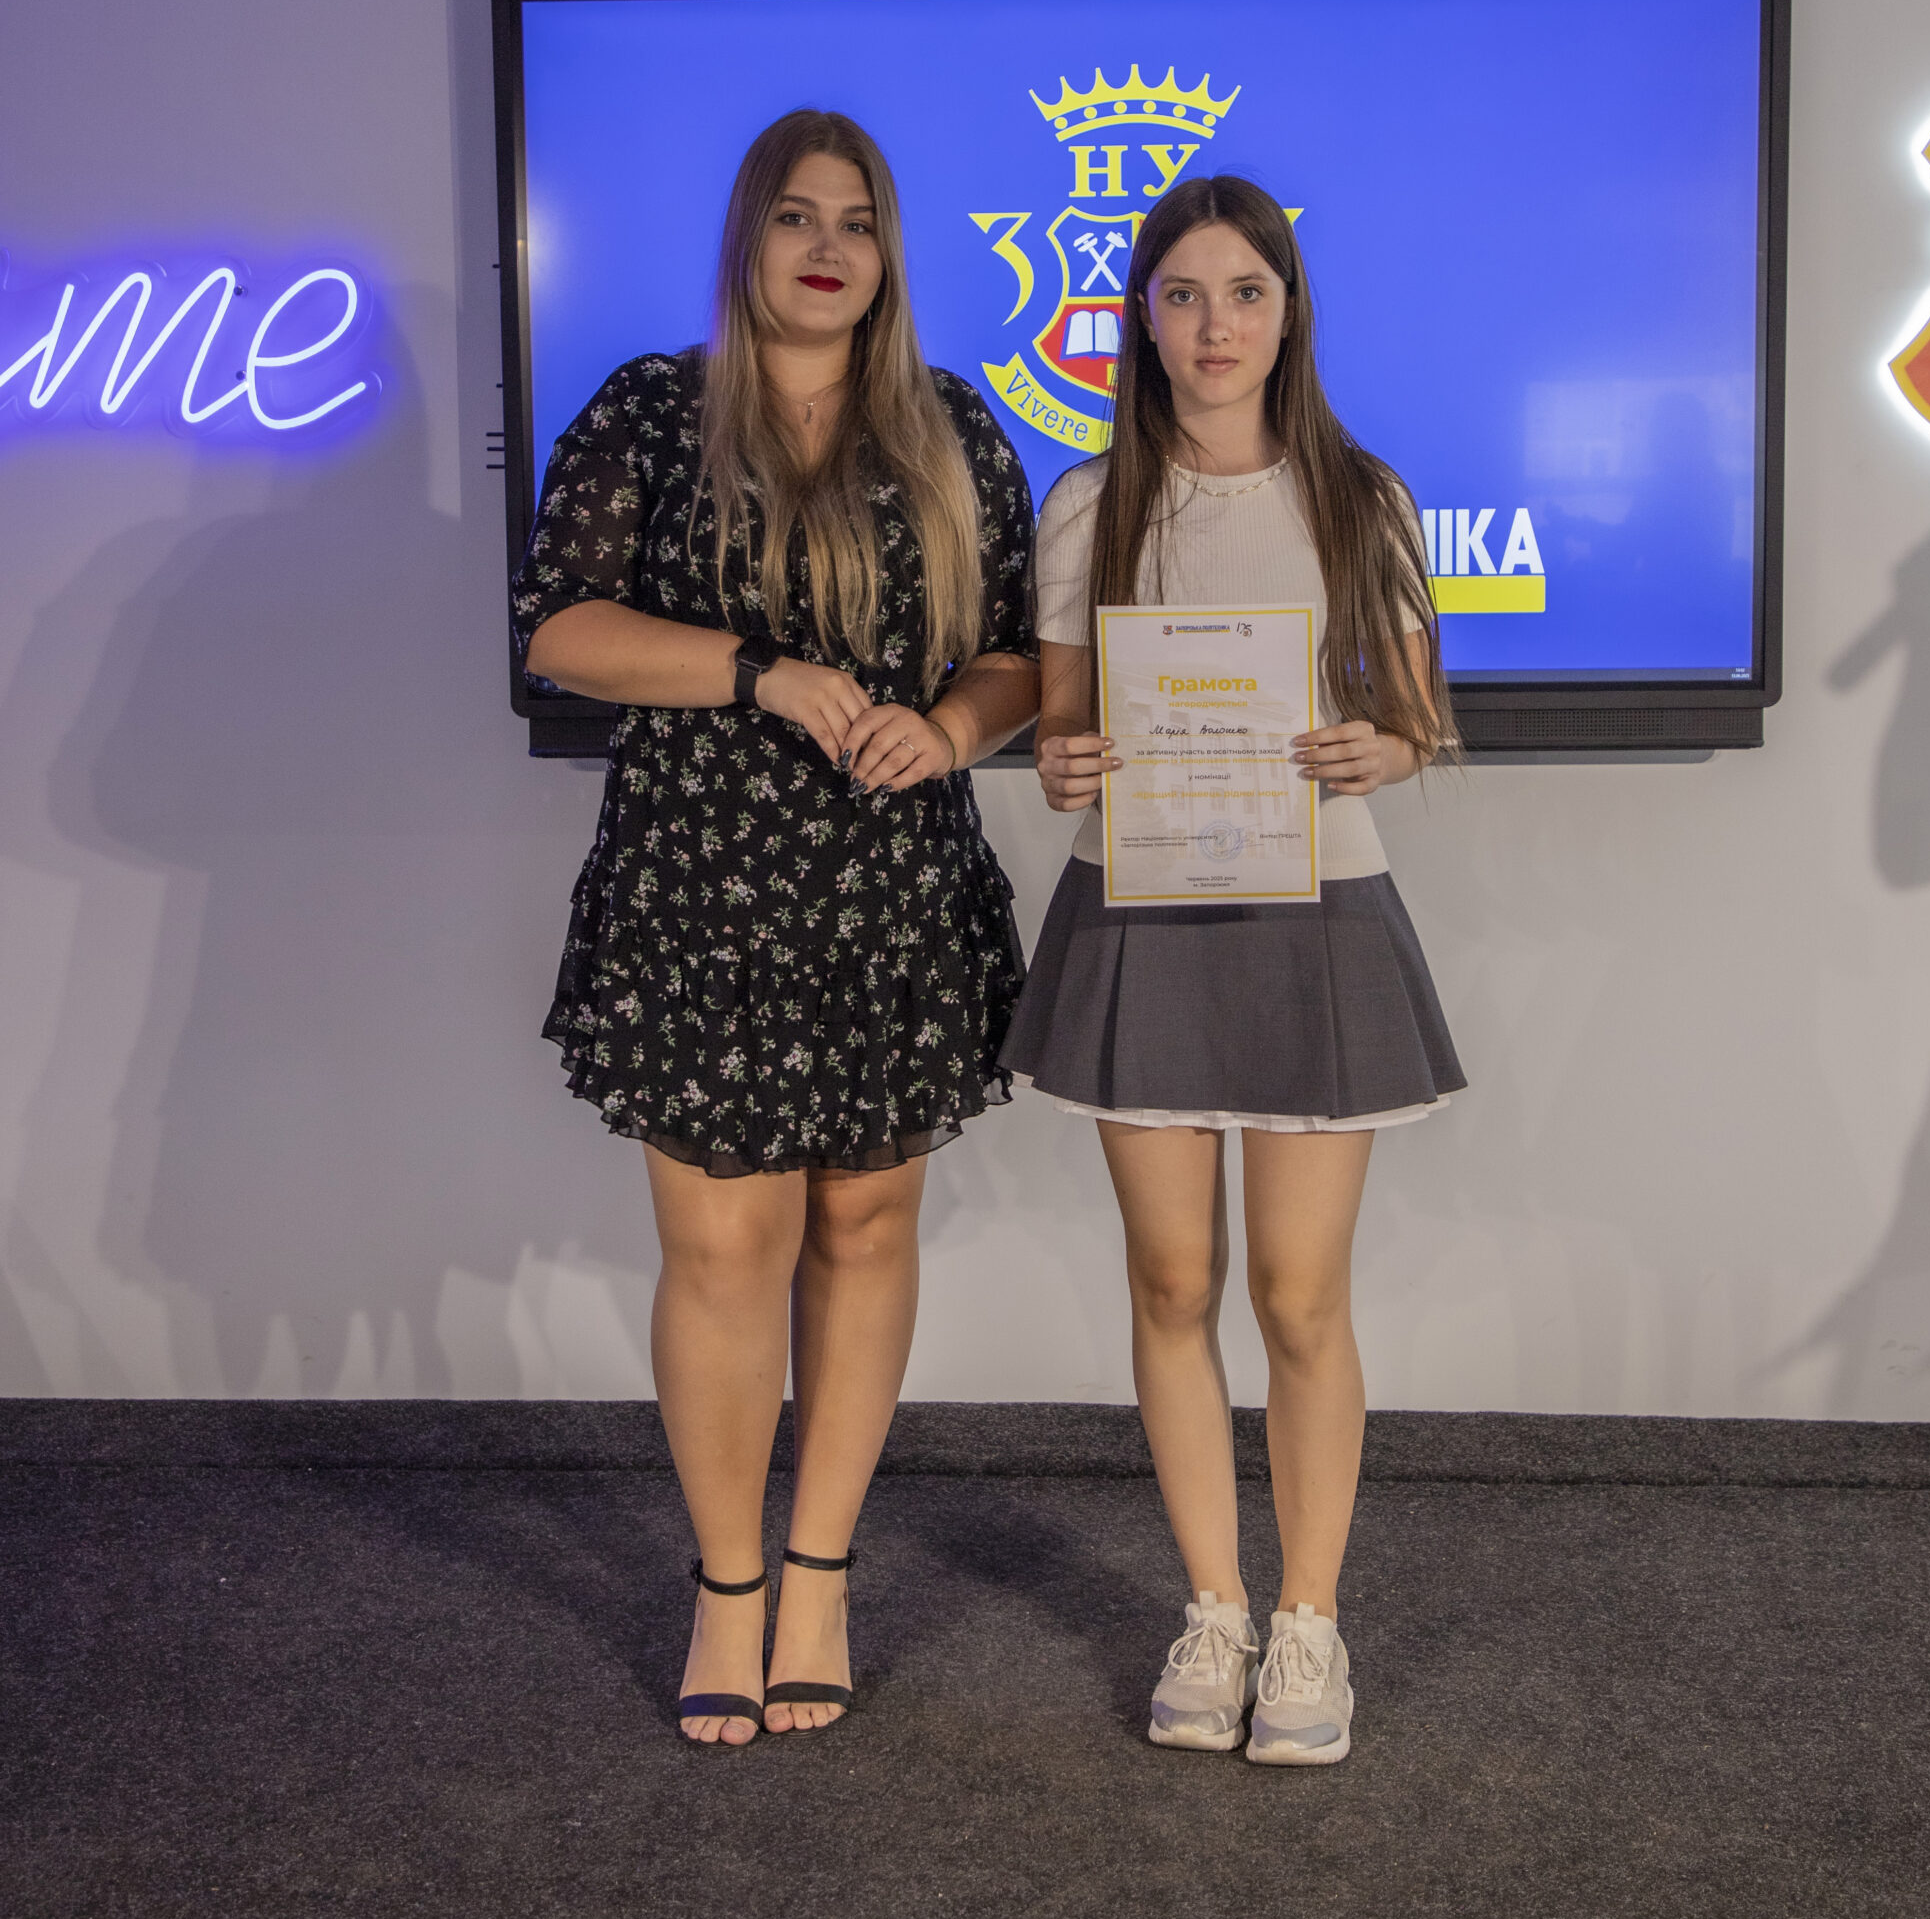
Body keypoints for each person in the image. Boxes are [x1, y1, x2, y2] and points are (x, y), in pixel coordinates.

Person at [515, 109, 1038, 1747]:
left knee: (864, 1232)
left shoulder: (955, 425)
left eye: (858, 222)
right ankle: (727, 1586)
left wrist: (949, 729)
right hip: (701, 890)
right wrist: (758, 673)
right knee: (724, 1249)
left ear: (889, 255)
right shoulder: (651, 409)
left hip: (891, 894)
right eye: (798, 216)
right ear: (748, 235)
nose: (828, 247)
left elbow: (1021, 654)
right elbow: (562, 631)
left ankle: (820, 1574)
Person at [1003, 173, 1463, 1767]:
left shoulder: (1360, 495)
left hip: (1315, 912)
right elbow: (1063, 730)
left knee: (1297, 1294)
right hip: (1142, 913)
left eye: (1245, 294)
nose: (1215, 326)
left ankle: (1310, 1621)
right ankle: (1214, 1611)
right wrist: (1061, 766)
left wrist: (1380, 748)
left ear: (1288, 313)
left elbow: (1420, 718)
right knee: (1172, 1282)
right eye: (1184, 294)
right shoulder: (1089, 502)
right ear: (1140, 315)